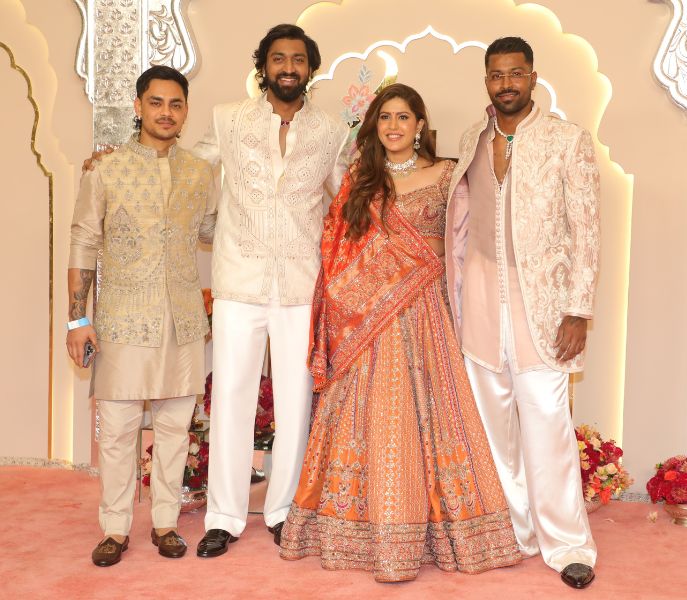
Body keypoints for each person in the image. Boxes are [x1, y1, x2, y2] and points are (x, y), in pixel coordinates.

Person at [278, 83, 522, 583]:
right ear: (375, 126)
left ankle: (442, 534)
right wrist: (350, 302)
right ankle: (360, 534)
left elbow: (471, 237)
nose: (393, 126)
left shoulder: (447, 174)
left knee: (436, 416)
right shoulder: (359, 180)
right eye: (385, 117)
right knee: (368, 416)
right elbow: (336, 248)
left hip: (427, 314)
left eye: (403, 117)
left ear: (419, 125)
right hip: (367, 323)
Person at [444, 37, 601, 590]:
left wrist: (578, 309)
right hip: (480, 297)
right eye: (496, 75)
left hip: (544, 302)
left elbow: (587, 229)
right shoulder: (472, 138)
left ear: (533, 77)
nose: (506, 83)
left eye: (516, 73)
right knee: (493, 429)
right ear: (486, 80)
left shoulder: (566, 139)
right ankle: (514, 533)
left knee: (548, 423)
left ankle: (569, 544)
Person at [191, 24, 349, 557]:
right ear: (263, 65)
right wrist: (120, 159)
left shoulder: (331, 132)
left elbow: (348, 200)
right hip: (239, 279)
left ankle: (284, 511)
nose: (288, 67)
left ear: (311, 68)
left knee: (296, 402)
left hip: (301, 286)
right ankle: (224, 516)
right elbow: (189, 175)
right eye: (278, 58)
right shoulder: (228, 119)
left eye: (298, 59)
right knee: (231, 397)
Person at [67, 65, 216, 567]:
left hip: (182, 320)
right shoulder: (105, 170)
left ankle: (166, 522)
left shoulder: (200, 172)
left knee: (175, 429)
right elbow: (83, 242)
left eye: (176, 104)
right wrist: (76, 321)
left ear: (186, 111)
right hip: (122, 320)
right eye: (156, 102)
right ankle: (114, 527)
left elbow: (216, 230)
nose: (166, 113)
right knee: (117, 431)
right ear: (138, 106)